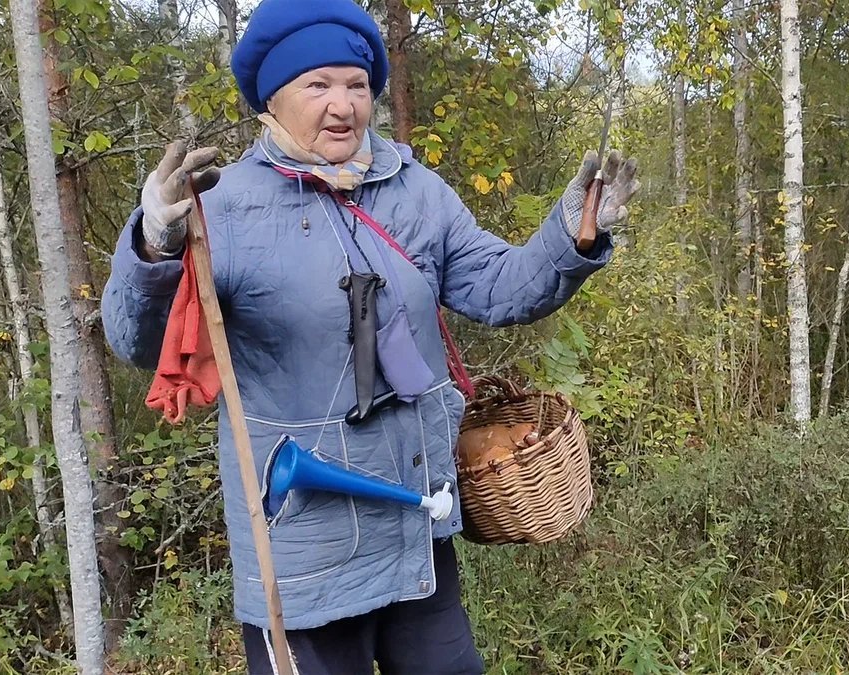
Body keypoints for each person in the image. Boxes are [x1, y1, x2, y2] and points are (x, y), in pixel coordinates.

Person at [101, 0, 639, 671]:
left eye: (356, 85)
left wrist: (573, 236)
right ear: (273, 98)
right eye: (318, 85)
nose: (342, 105)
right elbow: (139, 343)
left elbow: (501, 288)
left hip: (417, 529)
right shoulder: (221, 207)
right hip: (301, 558)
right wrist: (154, 246)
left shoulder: (416, 192)